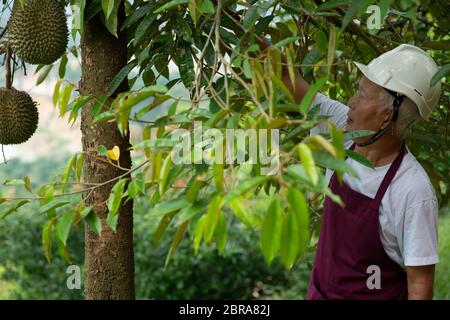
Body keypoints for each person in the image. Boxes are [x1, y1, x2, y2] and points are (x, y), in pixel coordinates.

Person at [269, 42, 441, 299]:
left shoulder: (412, 191)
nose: (350, 102)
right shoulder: (344, 132)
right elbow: (292, 82)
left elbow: (420, 285)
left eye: (362, 95)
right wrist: (264, 53)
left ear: (386, 116)